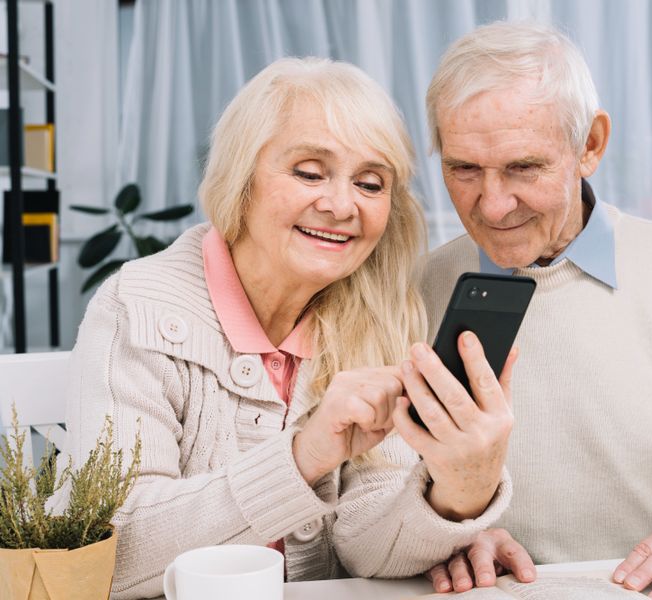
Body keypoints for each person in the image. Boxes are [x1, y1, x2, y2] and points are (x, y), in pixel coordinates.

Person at [56, 57, 515, 599]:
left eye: (371, 183)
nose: (342, 205)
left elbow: (366, 545)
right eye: (308, 172)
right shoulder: (137, 307)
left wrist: (461, 490)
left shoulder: (374, 313)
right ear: (242, 177)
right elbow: (113, 554)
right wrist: (304, 455)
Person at [414, 20, 652, 600]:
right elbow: (374, 493)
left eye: (523, 167)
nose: (491, 205)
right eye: (464, 168)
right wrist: (438, 533)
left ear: (590, 145)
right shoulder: (414, 291)